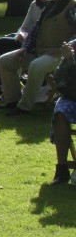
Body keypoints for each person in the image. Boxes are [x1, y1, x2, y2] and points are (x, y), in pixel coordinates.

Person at [0, 0, 76, 115]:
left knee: (36, 66)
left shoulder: (72, 7)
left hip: (59, 56)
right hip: (39, 51)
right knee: (4, 61)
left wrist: (62, 49)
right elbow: (34, 30)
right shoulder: (50, 5)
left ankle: (24, 107)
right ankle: (12, 100)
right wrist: (24, 48)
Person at [0, 0, 50, 95]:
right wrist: (21, 35)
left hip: (40, 44)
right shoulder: (34, 5)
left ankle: (4, 88)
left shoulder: (54, 4)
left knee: (2, 43)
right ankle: (2, 87)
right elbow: (25, 26)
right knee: (4, 41)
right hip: (28, 41)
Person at [48, 41, 76, 185]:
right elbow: (59, 79)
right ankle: (62, 169)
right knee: (60, 113)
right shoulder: (73, 46)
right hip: (72, 97)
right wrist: (68, 60)